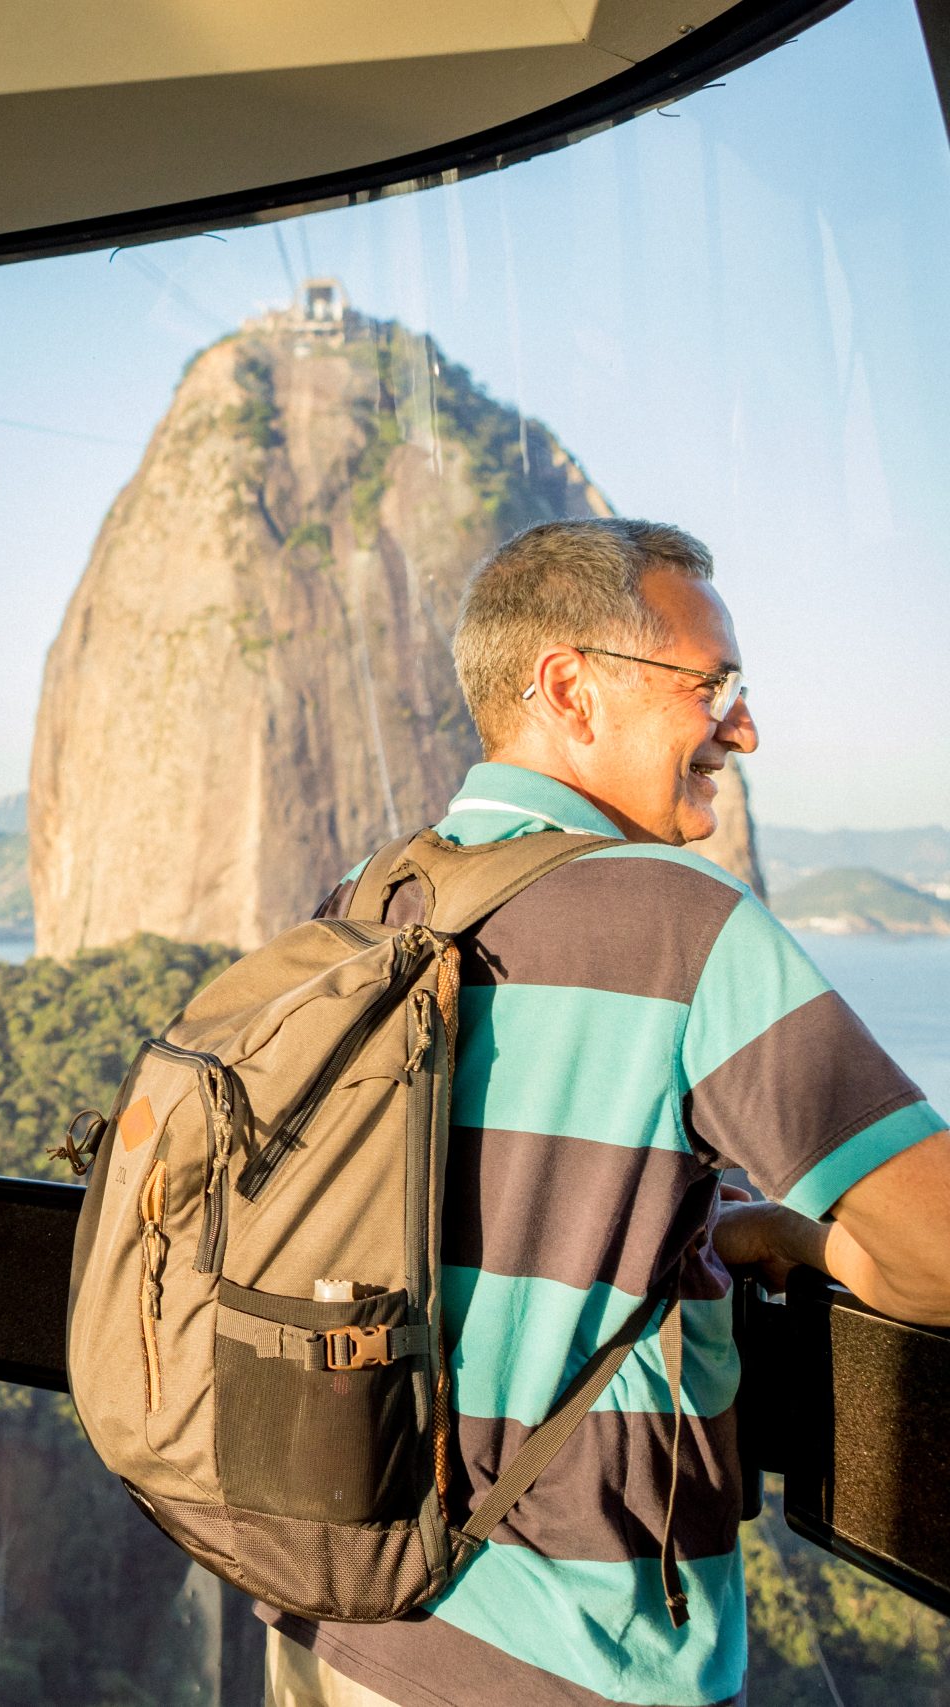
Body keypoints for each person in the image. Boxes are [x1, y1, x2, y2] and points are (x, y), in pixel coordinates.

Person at [264, 518, 950, 1707]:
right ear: (570, 690)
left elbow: (485, 1212)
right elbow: (937, 1253)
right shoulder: (679, 922)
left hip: (337, 1619)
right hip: (569, 1657)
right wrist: (820, 1240)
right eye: (714, 684)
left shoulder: (370, 896)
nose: (744, 728)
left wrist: (725, 1228)